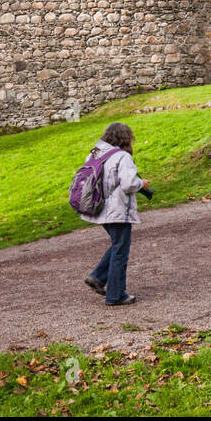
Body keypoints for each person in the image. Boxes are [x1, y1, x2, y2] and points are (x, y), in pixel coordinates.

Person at [81, 122, 151, 306]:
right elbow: (128, 184)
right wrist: (140, 184)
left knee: (117, 245)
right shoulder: (122, 157)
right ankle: (115, 294)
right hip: (118, 210)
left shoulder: (95, 154)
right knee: (121, 250)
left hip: (99, 208)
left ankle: (97, 277)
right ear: (125, 138)